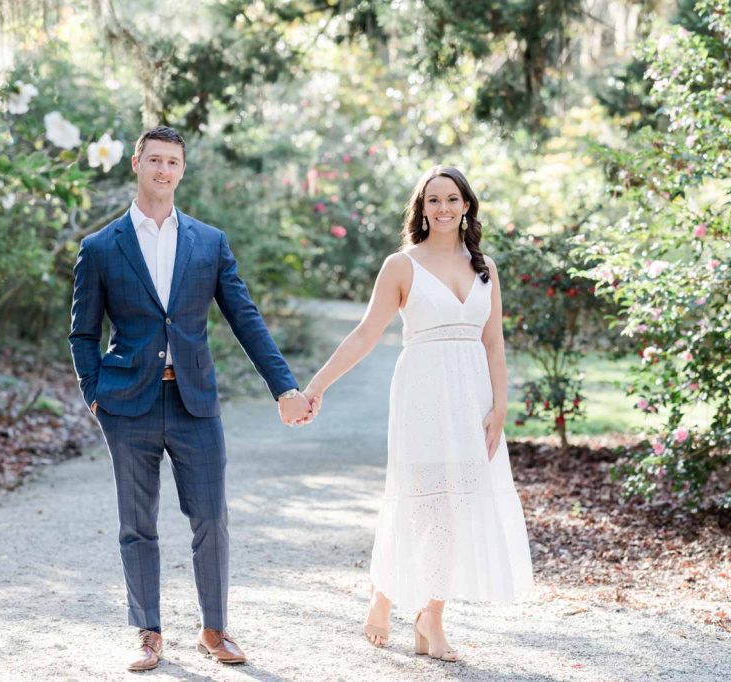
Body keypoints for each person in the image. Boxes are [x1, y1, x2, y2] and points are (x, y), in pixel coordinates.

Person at [68, 126, 313, 671]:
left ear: (182, 169)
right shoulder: (101, 247)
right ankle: (147, 632)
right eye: (154, 159)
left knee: (211, 518)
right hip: (126, 404)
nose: (163, 170)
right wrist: (94, 394)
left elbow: (245, 318)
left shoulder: (209, 242)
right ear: (136, 163)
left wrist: (284, 386)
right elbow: (83, 333)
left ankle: (215, 629)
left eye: (173, 162)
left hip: (194, 402)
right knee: (137, 523)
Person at [303, 166, 533, 661]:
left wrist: (500, 407)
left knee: (459, 507)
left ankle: (431, 614)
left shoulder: (485, 267)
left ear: (466, 205)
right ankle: (385, 594)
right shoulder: (401, 265)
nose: (443, 208)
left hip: (473, 399)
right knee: (419, 505)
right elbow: (365, 334)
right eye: (434, 200)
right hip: (422, 396)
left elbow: (493, 342)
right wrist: (316, 387)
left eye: (452, 199)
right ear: (422, 209)